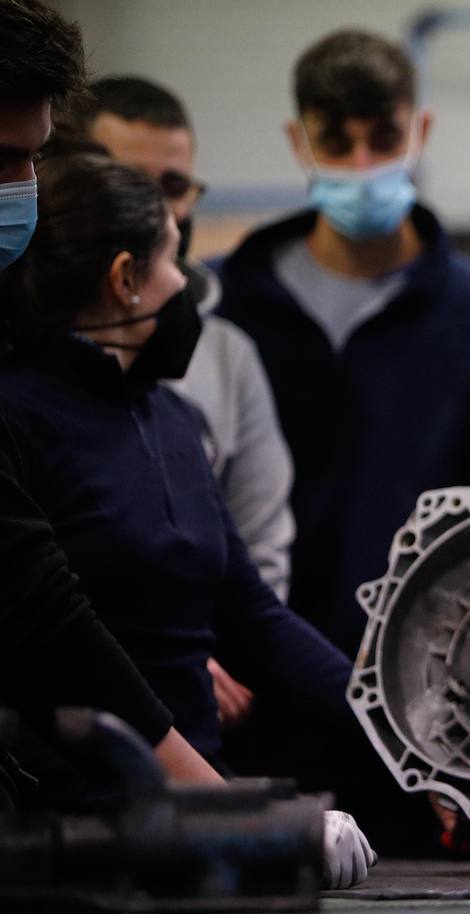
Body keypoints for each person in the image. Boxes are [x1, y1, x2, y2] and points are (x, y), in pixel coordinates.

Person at [0, 150, 374, 883]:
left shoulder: (169, 417)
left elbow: (253, 617)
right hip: (74, 830)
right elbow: (67, 650)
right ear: (125, 279)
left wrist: (407, 741)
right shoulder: (17, 419)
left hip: (184, 816)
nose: (190, 288)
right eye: (176, 257)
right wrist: (227, 809)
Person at [215, 29, 470, 657]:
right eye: (337, 143)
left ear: (420, 130)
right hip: (240, 678)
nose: (363, 165)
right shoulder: (219, 311)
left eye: (384, 139)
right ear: (298, 141)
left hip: (423, 689)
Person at [0, 0, 219, 794]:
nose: (26, 188)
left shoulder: (167, 418)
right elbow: (32, 608)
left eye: (35, 158)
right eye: (2, 159)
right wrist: (210, 801)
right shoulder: (27, 407)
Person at [62, 76, 296, 732]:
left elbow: (256, 562)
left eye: (176, 189)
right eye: (137, 185)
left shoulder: (212, 369)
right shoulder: (32, 392)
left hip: (196, 701)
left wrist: (209, 653)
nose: (163, 212)